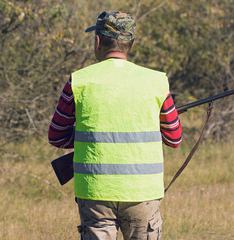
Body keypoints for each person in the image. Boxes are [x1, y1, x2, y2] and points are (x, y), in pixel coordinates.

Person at [48, 11, 182, 240]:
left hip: (94, 191)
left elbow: (56, 136)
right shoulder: (156, 81)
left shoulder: (79, 80)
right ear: (131, 43)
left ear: (97, 41)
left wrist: (87, 137)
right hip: (142, 192)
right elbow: (174, 139)